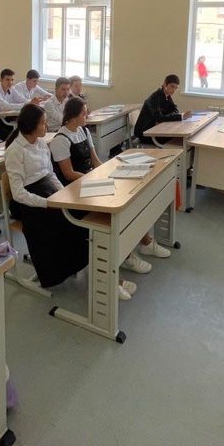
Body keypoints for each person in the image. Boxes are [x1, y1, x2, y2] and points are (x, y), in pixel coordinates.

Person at [50, 98, 168, 298]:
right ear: (73, 116)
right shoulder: (60, 139)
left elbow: (96, 161)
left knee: (130, 200)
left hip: (91, 181)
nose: (87, 115)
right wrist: (95, 179)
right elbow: (68, 174)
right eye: (84, 113)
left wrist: (106, 173)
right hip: (75, 190)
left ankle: (143, 244)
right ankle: (123, 259)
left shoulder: (84, 131)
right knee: (115, 212)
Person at [4, 104, 89, 289]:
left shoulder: (41, 143)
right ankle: (54, 273)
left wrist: (62, 195)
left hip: (48, 192)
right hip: (29, 202)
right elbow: (18, 193)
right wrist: (47, 203)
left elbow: (50, 174)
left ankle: (73, 264)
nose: (47, 125)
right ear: (31, 125)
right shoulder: (15, 150)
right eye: (43, 122)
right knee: (60, 221)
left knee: (77, 214)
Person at [133, 74, 192, 144]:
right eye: (172, 86)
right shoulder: (154, 98)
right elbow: (160, 118)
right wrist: (181, 117)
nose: (174, 90)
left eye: (176, 88)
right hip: (145, 132)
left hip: (155, 128)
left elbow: (175, 110)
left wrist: (164, 118)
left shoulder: (167, 96)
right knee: (177, 138)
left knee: (180, 137)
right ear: (165, 84)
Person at [0, 69, 28, 141]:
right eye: (7, 80)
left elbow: (22, 99)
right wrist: (25, 104)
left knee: (23, 129)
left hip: (3, 118)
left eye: (12, 80)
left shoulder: (12, 89)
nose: (10, 82)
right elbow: (7, 106)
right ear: (1, 80)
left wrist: (32, 102)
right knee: (10, 136)